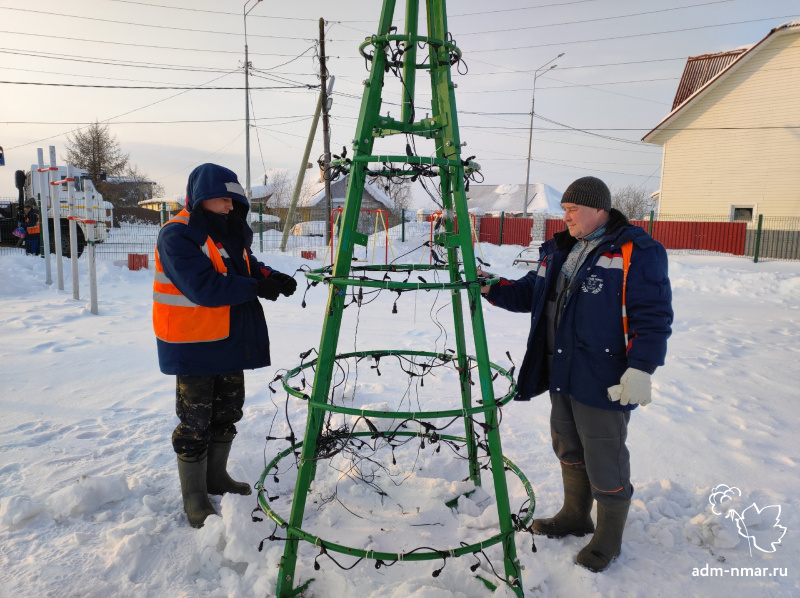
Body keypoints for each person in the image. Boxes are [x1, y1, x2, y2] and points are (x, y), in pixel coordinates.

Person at [478, 176, 673, 572]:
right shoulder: (561, 249)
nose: (564, 216)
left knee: (604, 453)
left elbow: (652, 315)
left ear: (599, 209)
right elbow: (532, 293)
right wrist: (492, 287)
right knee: (567, 444)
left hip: (604, 376)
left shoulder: (637, 250)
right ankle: (575, 514)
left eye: (572, 210)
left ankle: (608, 538)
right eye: (564, 209)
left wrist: (641, 368)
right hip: (560, 370)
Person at [153, 163, 298, 528]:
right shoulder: (178, 235)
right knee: (195, 421)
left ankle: (216, 478)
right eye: (223, 200)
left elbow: (243, 264)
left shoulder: (226, 232)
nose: (231, 207)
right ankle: (195, 497)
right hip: (193, 344)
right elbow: (203, 286)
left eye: (235, 201)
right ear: (202, 199)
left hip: (227, 338)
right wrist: (255, 288)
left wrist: (269, 276)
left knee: (228, 411)